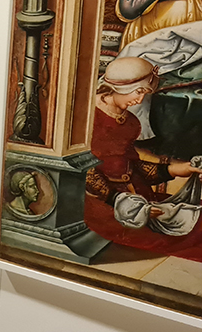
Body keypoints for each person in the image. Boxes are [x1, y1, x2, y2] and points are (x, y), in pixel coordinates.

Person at [85, 57, 202, 260]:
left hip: (140, 198)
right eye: (138, 92)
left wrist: (178, 169)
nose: (139, 101)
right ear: (119, 86)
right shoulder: (87, 117)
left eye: (144, 94)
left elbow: (134, 167)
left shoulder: (131, 122)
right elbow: (83, 171)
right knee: (181, 242)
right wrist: (119, 201)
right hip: (105, 206)